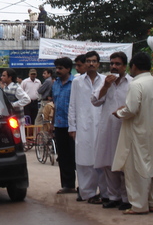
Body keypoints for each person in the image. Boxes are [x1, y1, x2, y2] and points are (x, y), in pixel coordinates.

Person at [112, 52, 153, 215]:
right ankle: (152, 202)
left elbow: (132, 109)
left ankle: (138, 205)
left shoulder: (136, 84)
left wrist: (119, 113)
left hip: (137, 131)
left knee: (136, 169)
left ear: (133, 66)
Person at [90, 52, 132, 210]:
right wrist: (106, 86)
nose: (114, 66)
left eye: (118, 64)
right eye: (112, 63)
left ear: (125, 66)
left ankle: (126, 198)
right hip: (107, 128)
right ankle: (113, 197)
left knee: (124, 165)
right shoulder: (104, 83)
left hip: (124, 129)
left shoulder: (132, 83)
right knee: (108, 164)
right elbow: (94, 101)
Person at [68, 50, 106, 203]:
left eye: (94, 61)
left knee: (103, 161)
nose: (91, 64)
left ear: (98, 63)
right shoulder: (77, 81)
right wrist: (72, 126)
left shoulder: (105, 80)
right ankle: (87, 193)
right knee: (84, 161)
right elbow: (72, 104)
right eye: (88, 61)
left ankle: (105, 193)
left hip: (101, 125)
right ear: (85, 63)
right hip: (83, 126)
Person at [52, 57, 77, 194]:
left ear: (68, 69)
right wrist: (52, 124)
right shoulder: (55, 83)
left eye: (60, 68)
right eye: (57, 68)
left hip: (73, 125)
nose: (58, 70)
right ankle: (68, 185)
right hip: (59, 124)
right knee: (63, 156)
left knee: (76, 155)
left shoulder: (75, 83)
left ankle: (84, 185)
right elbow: (55, 104)